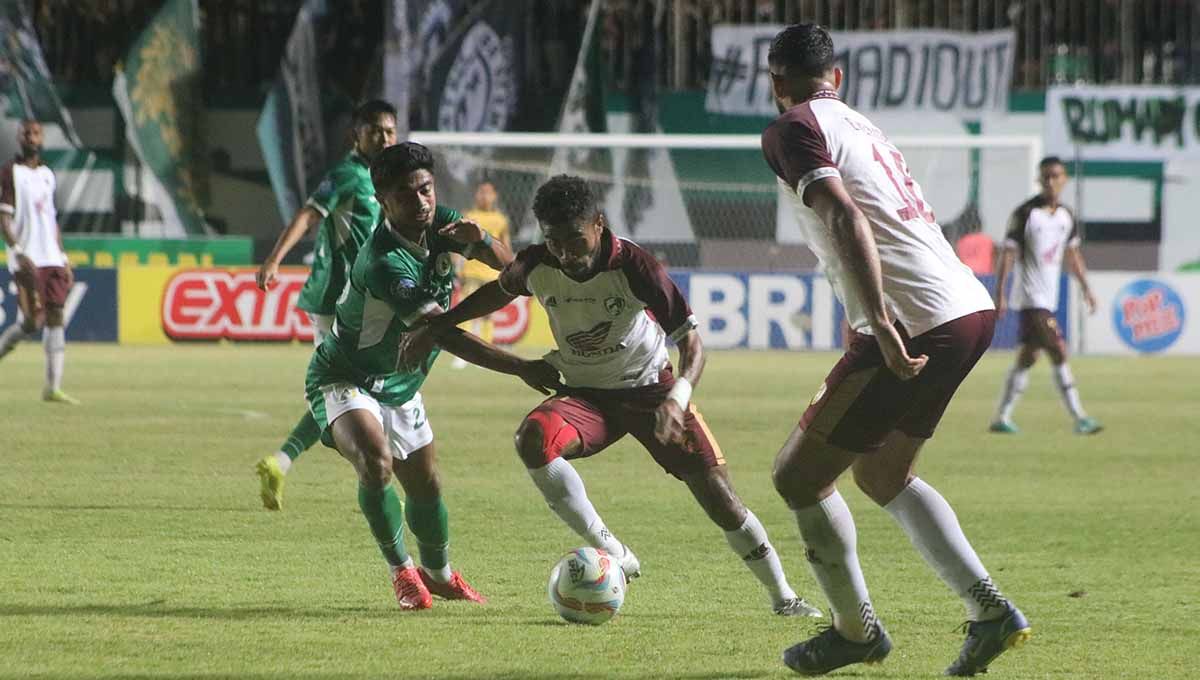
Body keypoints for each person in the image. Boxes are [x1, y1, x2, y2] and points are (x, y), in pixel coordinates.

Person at [402, 174, 822, 618]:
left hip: (651, 394)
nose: (566, 253)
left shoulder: (636, 267)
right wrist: (438, 326)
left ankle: (785, 597)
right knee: (532, 440)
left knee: (719, 496)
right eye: (555, 240)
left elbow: (693, 346)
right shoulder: (537, 264)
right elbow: (497, 292)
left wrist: (677, 399)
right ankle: (612, 550)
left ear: (598, 224)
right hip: (585, 396)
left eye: (575, 239)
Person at [760, 24, 1030, 676]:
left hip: (913, 321)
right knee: (881, 474)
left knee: (798, 476)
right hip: (967, 309)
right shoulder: (861, 125)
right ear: (839, 77)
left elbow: (846, 216)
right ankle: (989, 612)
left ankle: (856, 632)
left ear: (774, 82)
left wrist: (879, 319)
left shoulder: (792, 128)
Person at [304, 141, 519, 609]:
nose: (420, 202)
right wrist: (522, 368)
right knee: (376, 463)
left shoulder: (442, 219)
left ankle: (439, 575)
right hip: (346, 375)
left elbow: (513, 271)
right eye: (406, 195)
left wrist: (481, 239)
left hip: (401, 383)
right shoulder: (383, 261)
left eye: (425, 189)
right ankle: (403, 573)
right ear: (383, 201)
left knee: (426, 484)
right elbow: (442, 334)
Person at [254, 99, 398, 511]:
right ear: (358, 134)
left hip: (366, 301)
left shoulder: (387, 179)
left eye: (390, 131)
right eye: (375, 131)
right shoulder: (347, 175)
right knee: (343, 389)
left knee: (348, 388)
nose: (384, 138)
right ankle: (375, 476)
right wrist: (275, 260)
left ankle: (280, 462)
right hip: (336, 300)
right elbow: (308, 215)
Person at [990, 157, 1101, 435]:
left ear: (1064, 179)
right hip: (1032, 300)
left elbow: (1072, 255)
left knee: (1028, 356)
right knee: (1059, 351)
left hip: (1048, 299)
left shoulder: (1066, 216)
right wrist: (1000, 293)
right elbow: (1008, 254)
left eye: (1056, 176)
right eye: (1046, 177)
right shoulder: (1026, 213)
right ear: (1039, 180)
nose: (1051, 182)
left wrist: (1086, 288)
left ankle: (1002, 417)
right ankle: (1079, 416)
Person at [0, 119, 77, 404]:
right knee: (31, 322)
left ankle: (52, 387)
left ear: (42, 139)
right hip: (28, 258)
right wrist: (17, 250)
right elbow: (4, 218)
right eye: (26, 134)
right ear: (19, 139)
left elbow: (51, 219)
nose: (32, 138)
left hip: (52, 257)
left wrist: (64, 256)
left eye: (36, 134)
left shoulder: (47, 174)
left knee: (56, 316)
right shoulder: (11, 173)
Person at [450, 180, 510, 368]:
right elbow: (457, 243)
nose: (484, 196)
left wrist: (509, 268)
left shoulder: (501, 220)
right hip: (472, 271)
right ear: (476, 195)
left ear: (495, 196)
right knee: (465, 312)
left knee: (488, 314)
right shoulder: (469, 216)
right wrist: (456, 266)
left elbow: (506, 246)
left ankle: (487, 353)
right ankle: (462, 353)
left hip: (492, 274)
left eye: (488, 192)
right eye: (481, 192)